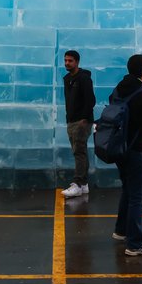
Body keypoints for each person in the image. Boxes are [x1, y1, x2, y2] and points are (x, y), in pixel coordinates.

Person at [110, 54, 142, 257]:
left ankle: (121, 230)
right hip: (136, 149)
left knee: (127, 189)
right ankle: (135, 243)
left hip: (119, 147)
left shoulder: (119, 88)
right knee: (137, 196)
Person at [62, 50, 97, 198]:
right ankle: (83, 185)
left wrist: (84, 118)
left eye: (70, 61)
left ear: (77, 62)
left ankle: (77, 183)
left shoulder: (83, 78)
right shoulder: (67, 78)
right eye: (65, 60)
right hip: (72, 120)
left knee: (79, 152)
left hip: (82, 121)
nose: (67, 63)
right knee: (79, 151)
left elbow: (91, 100)